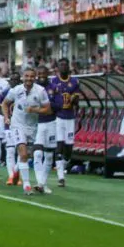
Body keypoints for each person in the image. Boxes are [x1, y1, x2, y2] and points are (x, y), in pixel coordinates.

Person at [1, 68, 51, 195]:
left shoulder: (40, 91)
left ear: (35, 78)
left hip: (32, 127)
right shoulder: (16, 90)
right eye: (27, 76)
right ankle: (27, 186)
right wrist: (6, 117)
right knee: (23, 154)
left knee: (26, 155)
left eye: (32, 76)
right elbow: (4, 104)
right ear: (23, 77)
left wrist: (35, 110)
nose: (29, 78)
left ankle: (16, 170)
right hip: (17, 125)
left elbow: (48, 110)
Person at [51, 58, 81, 187]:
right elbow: (50, 99)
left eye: (65, 65)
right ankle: (60, 177)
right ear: (57, 67)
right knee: (60, 146)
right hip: (58, 118)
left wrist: (73, 99)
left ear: (68, 67)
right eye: (61, 65)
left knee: (68, 149)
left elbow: (77, 102)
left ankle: (62, 165)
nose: (63, 67)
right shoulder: (53, 81)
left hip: (70, 118)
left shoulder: (74, 82)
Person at [33, 65, 58, 194]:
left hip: (52, 123)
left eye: (44, 73)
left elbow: (58, 105)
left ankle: (43, 183)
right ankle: (39, 182)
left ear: (47, 74)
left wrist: (45, 106)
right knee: (37, 153)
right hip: (38, 124)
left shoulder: (53, 87)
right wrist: (46, 107)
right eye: (40, 73)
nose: (42, 75)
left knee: (48, 156)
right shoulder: (33, 88)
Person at [0, 72, 21, 185]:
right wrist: (6, 117)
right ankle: (11, 176)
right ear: (9, 81)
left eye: (16, 79)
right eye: (12, 79)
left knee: (21, 151)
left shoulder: (23, 91)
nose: (14, 81)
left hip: (21, 126)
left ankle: (18, 174)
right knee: (10, 150)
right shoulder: (4, 93)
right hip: (8, 125)